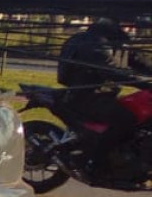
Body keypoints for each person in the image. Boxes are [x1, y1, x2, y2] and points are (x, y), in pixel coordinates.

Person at [57, 15, 152, 171]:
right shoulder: (93, 42)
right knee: (126, 119)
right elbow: (110, 70)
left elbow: (139, 61)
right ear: (113, 24)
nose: (130, 29)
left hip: (104, 95)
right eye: (126, 25)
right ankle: (96, 162)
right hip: (85, 97)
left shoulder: (115, 41)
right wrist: (144, 84)